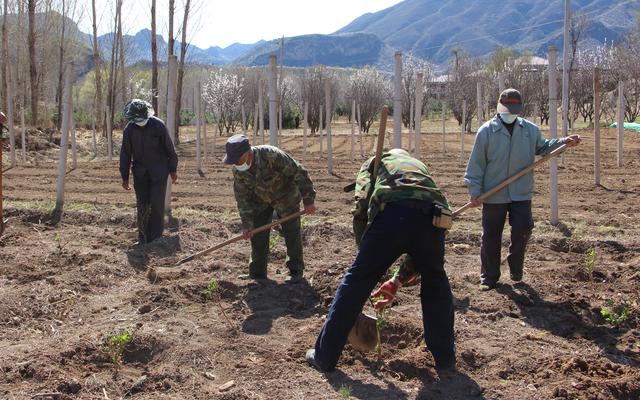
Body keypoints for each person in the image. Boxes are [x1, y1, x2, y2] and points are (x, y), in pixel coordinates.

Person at [306, 148, 456, 373]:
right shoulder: (418, 167)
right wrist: (397, 280)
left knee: (355, 281)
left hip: (392, 216)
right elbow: (419, 246)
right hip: (433, 217)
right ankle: (445, 362)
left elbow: (361, 206)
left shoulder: (374, 162)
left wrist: (364, 255)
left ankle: (325, 357)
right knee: (436, 282)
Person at [464, 88, 581, 291]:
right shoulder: (487, 131)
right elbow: (476, 165)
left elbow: (543, 147)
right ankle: (489, 278)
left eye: (514, 108)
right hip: (494, 193)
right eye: (508, 108)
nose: (511, 112)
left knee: (523, 228)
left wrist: (563, 142)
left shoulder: (529, 129)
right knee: (491, 235)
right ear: (500, 106)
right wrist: (475, 191)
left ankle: (516, 268)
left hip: (521, 191)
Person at [224, 134, 317, 282]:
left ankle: (296, 271)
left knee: (291, 232)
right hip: (260, 200)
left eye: (237, 159)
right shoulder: (238, 171)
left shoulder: (271, 155)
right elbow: (243, 199)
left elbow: (298, 171)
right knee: (257, 234)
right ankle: (257, 273)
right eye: (233, 160)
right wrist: (247, 224)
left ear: (248, 153)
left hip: (286, 196)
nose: (235, 163)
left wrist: (308, 199)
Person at [119, 99, 178, 244]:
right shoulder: (129, 130)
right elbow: (125, 154)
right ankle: (143, 236)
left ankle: (156, 238)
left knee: (157, 203)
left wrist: (173, 169)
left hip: (159, 171)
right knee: (142, 204)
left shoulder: (158, 125)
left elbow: (170, 149)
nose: (140, 121)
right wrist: (124, 177)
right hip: (140, 173)